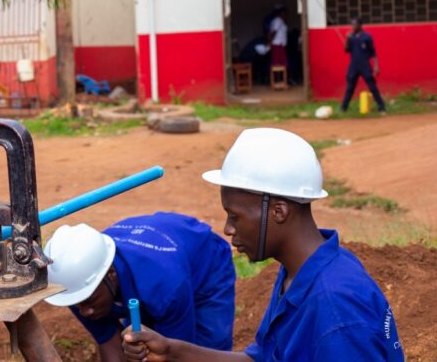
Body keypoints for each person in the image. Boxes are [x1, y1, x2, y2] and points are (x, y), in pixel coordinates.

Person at [122, 127, 404, 361]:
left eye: (235, 216)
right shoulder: (299, 274)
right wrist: (173, 351)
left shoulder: (335, 310)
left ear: (278, 212)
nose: (228, 229)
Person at [43, 213, 235, 361]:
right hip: (148, 272)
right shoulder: (78, 285)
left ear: (110, 274)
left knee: (207, 350)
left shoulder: (164, 285)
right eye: (77, 304)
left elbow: (176, 352)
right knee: (136, 347)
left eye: (87, 302)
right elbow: (111, 343)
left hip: (205, 264)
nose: (85, 312)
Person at [341, 17, 386, 113]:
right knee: (350, 88)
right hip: (353, 65)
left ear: (360, 25)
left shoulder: (367, 37)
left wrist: (376, 66)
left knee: (372, 87)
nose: (353, 26)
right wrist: (347, 39)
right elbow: (346, 50)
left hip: (365, 65)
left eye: (355, 24)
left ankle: (381, 107)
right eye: (352, 24)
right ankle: (343, 108)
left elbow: (373, 53)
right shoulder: (351, 36)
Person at [265, 6, 287, 76]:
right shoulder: (278, 21)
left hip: (279, 44)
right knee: (278, 64)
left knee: (279, 64)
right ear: (280, 13)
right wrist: (270, 42)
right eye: (284, 13)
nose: (285, 14)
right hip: (277, 44)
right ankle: (278, 80)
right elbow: (274, 32)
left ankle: (279, 80)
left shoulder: (277, 21)